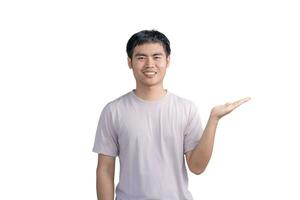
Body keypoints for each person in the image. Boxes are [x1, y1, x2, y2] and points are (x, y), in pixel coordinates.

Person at [92, 30, 251, 200]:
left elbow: (197, 167)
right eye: (141, 57)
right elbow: (105, 170)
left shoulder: (186, 109)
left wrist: (213, 120)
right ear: (129, 62)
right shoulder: (113, 111)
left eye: (157, 57)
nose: (149, 64)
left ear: (168, 61)